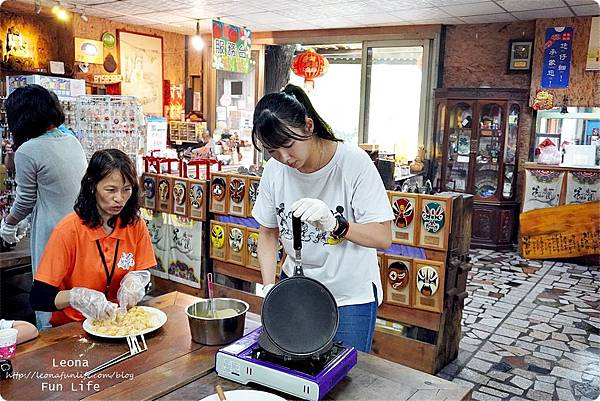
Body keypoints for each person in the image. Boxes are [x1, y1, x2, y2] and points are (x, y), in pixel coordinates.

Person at [251, 84, 393, 352]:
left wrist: (337, 225)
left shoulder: (352, 162)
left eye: (288, 145)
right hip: (295, 290)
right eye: (272, 151)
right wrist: (269, 286)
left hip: (348, 296)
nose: (283, 158)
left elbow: (383, 236)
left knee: (345, 379)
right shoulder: (274, 171)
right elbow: (268, 233)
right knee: (295, 369)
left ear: (308, 126)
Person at [29, 149, 156, 327]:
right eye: (110, 190)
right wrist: (77, 297)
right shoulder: (68, 230)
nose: (119, 199)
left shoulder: (135, 224)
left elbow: (144, 271)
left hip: (120, 323)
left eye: (126, 190)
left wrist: (135, 282)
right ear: (92, 187)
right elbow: (39, 298)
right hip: (72, 328)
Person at [0, 84, 87, 329]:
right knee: (69, 286)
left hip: (52, 229)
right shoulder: (70, 138)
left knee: (47, 287)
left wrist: (8, 224)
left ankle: (48, 338)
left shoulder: (29, 149)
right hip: (78, 225)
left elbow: (25, 200)